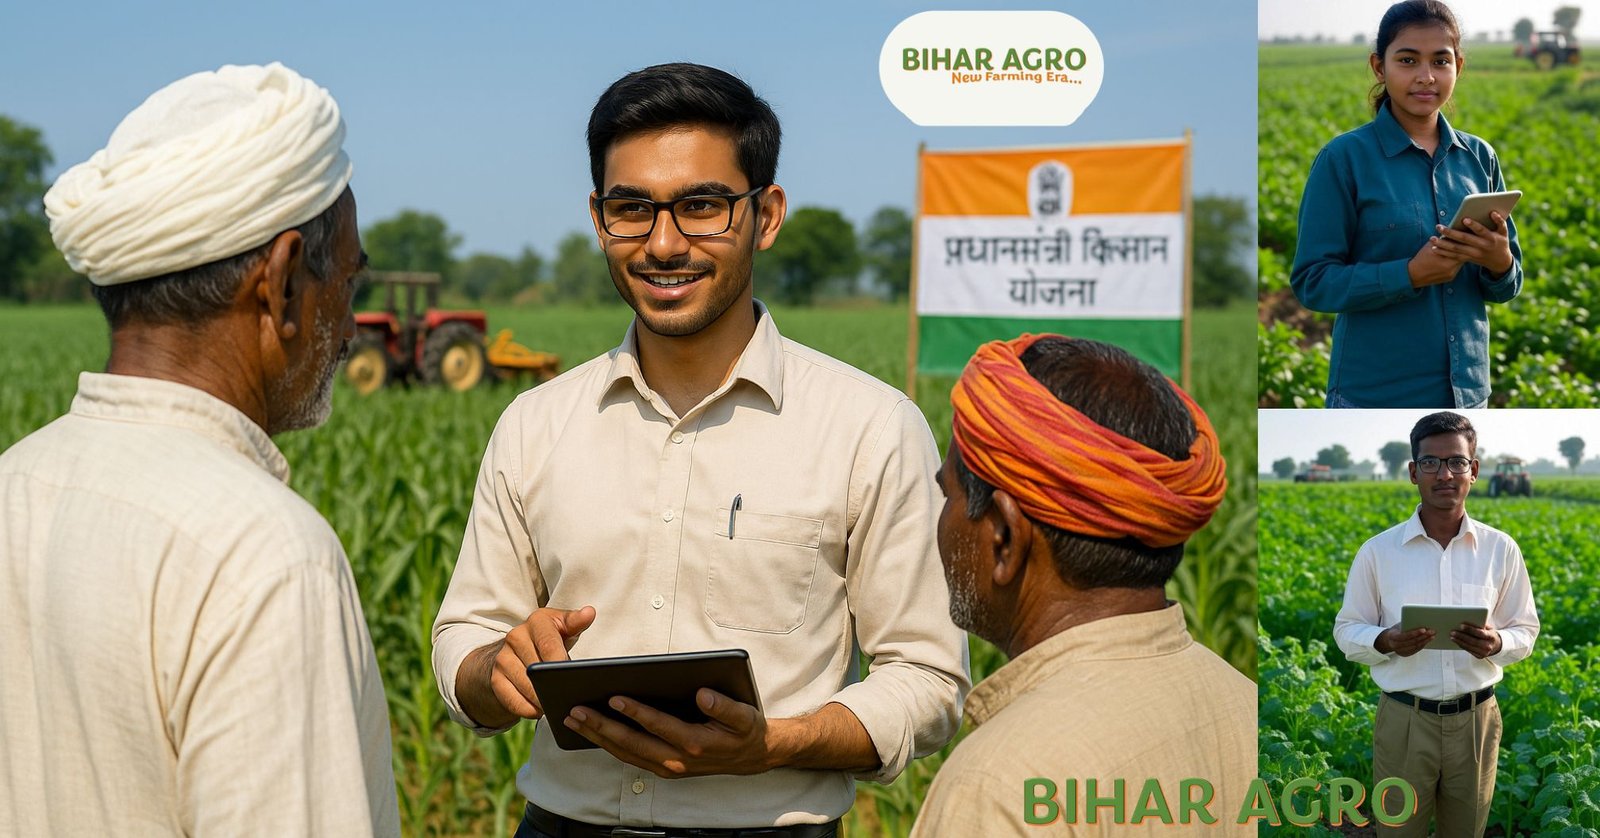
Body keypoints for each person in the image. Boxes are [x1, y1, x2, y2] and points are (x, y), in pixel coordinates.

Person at [430, 63, 969, 835]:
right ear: (597, 216)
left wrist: (773, 744)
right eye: (631, 209)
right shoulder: (533, 422)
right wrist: (494, 671)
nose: (663, 243)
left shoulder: (869, 427)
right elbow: (465, 636)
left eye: (702, 206)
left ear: (766, 213)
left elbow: (928, 677)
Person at [0, 63, 398, 835]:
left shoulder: (14, 483)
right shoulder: (266, 557)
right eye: (347, 287)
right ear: (281, 281)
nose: (349, 331)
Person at [911, 335, 1254, 836]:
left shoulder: (999, 787)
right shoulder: (1244, 704)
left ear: (1004, 537)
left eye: (949, 495)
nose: (940, 524)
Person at [1290, 0, 1522, 409]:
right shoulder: (1344, 159)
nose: (1426, 76)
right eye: (1408, 60)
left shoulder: (1478, 157)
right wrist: (1409, 274)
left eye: (1441, 61)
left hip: (1469, 394)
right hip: (1374, 395)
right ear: (1380, 67)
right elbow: (1313, 281)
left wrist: (1499, 260)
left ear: (1459, 67)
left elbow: (1508, 284)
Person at [1333, 411, 1539, 837]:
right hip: (1405, 722)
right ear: (1413, 472)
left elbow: (1526, 630)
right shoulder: (1377, 552)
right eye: (1430, 463)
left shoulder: (1501, 550)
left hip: (1476, 721)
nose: (1444, 474)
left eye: (1456, 462)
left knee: (1466, 830)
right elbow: (1347, 630)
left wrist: (1496, 642)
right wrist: (1386, 640)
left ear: (1474, 470)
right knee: (1397, 831)